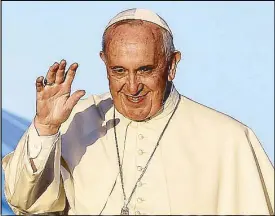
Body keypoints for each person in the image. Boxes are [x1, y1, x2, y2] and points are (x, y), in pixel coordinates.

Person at [2, 8, 274, 215]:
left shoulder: (228, 139)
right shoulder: (75, 120)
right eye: (118, 71)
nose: (132, 87)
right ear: (104, 62)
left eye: (145, 70)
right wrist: (46, 128)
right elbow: (24, 202)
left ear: (171, 65)